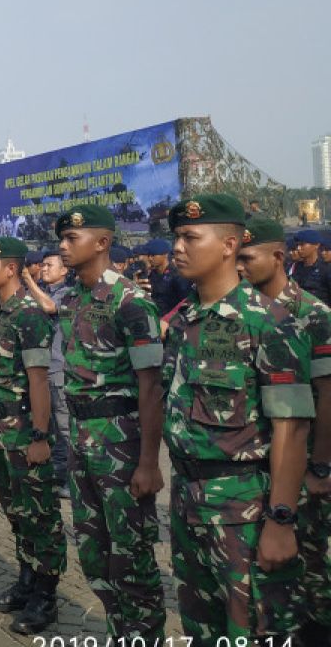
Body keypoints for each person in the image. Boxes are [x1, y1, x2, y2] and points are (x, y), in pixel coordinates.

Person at [164, 195, 314, 642]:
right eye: (176, 237)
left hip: (245, 512)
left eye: (191, 237)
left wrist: (281, 521)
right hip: (188, 502)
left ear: (229, 245)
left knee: (254, 629)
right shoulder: (184, 321)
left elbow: (292, 428)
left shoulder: (270, 324)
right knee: (201, 628)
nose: (178, 247)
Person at [55, 205, 166, 640]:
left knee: (131, 556)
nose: (63, 246)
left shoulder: (131, 302)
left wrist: (149, 463)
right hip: (82, 439)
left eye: (72, 239)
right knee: (93, 552)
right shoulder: (71, 300)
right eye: (62, 239)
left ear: (101, 243)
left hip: (121, 442)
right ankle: (122, 630)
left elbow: (151, 386)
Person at [237, 214, 331, 644]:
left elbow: (327, 396)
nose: (238, 266)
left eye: (247, 257)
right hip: (262, 465)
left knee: (310, 564)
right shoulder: (241, 313)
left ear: (277, 257)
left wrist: (321, 466)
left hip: (305, 461)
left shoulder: (312, 315)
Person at [0, 237, 65, 635]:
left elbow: (39, 381)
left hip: (24, 430)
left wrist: (41, 436)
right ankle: (26, 581)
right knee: (16, 513)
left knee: (40, 515)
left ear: (10, 269)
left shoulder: (28, 314)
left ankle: (45, 596)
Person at [22, 249, 72, 489]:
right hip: (40, 368)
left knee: (64, 426)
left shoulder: (67, 294)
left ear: (64, 270)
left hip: (58, 368)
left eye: (49, 265)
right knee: (47, 425)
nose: (43, 269)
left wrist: (29, 280)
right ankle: (58, 473)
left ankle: (72, 477)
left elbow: (50, 307)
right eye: (41, 265)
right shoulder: (37, 293)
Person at [291, 229, 331, 305]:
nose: (298, 248)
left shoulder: (326, 269)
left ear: (316, 245)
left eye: (302, 244)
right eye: (297, 245)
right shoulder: (295, 267)